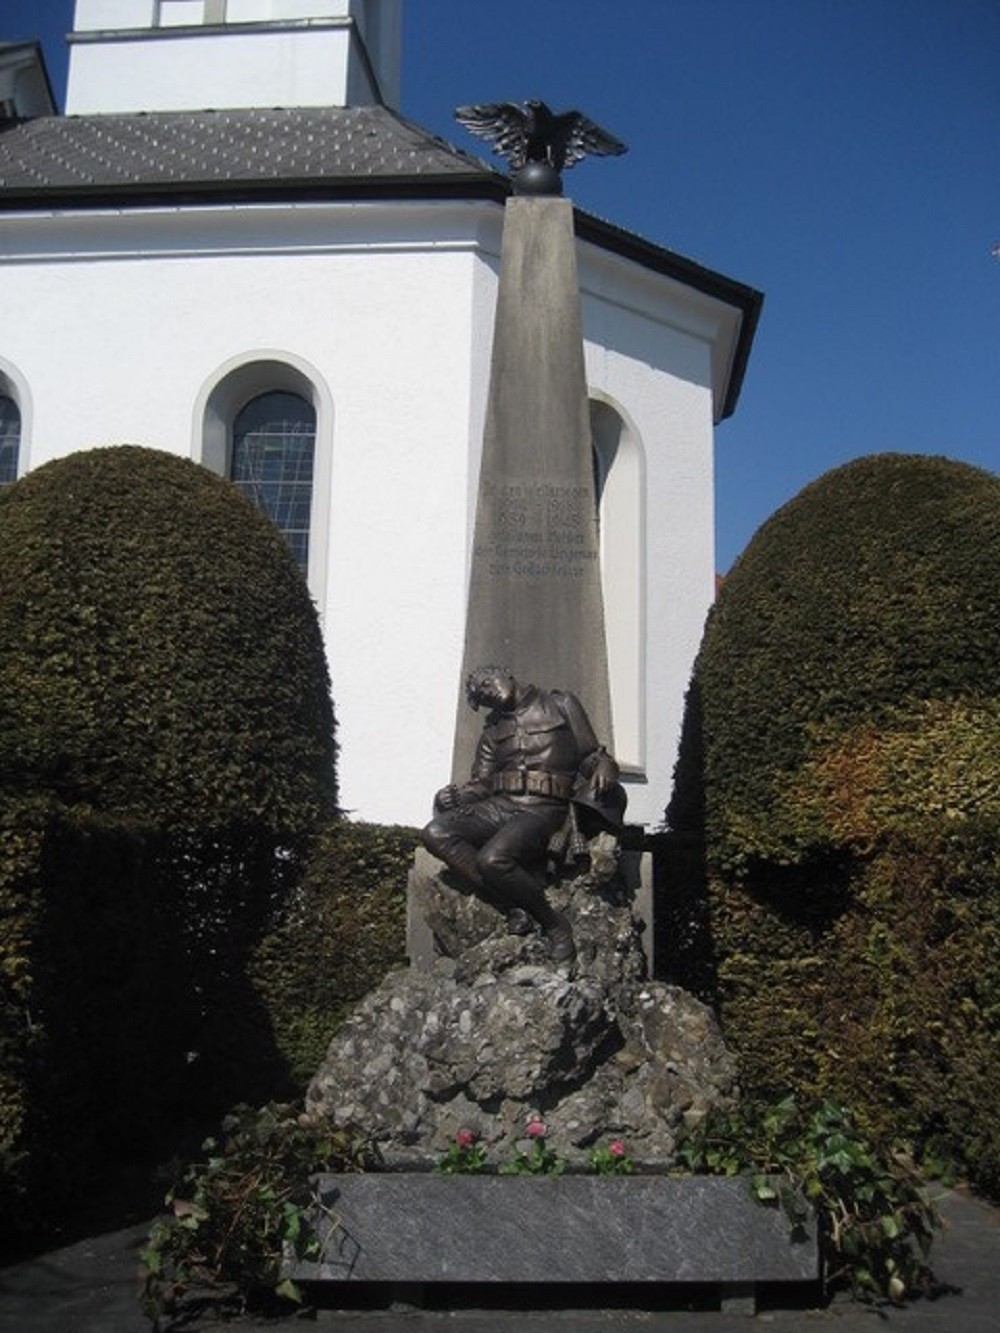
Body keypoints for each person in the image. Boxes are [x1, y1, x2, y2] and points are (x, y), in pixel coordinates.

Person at [422, 666, 625, 964]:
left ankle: (554, 923)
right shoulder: (492, 731)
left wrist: (606, 766)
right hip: (499, 805)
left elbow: (592, 756)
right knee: (435, 832)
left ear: (506, 674)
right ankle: (512, 903)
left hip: (543, 809)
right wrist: (453, 797)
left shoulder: (560, 704)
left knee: (493, 860)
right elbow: (481, 784)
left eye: (488, 683)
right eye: (482, 694)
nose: (487, 692)